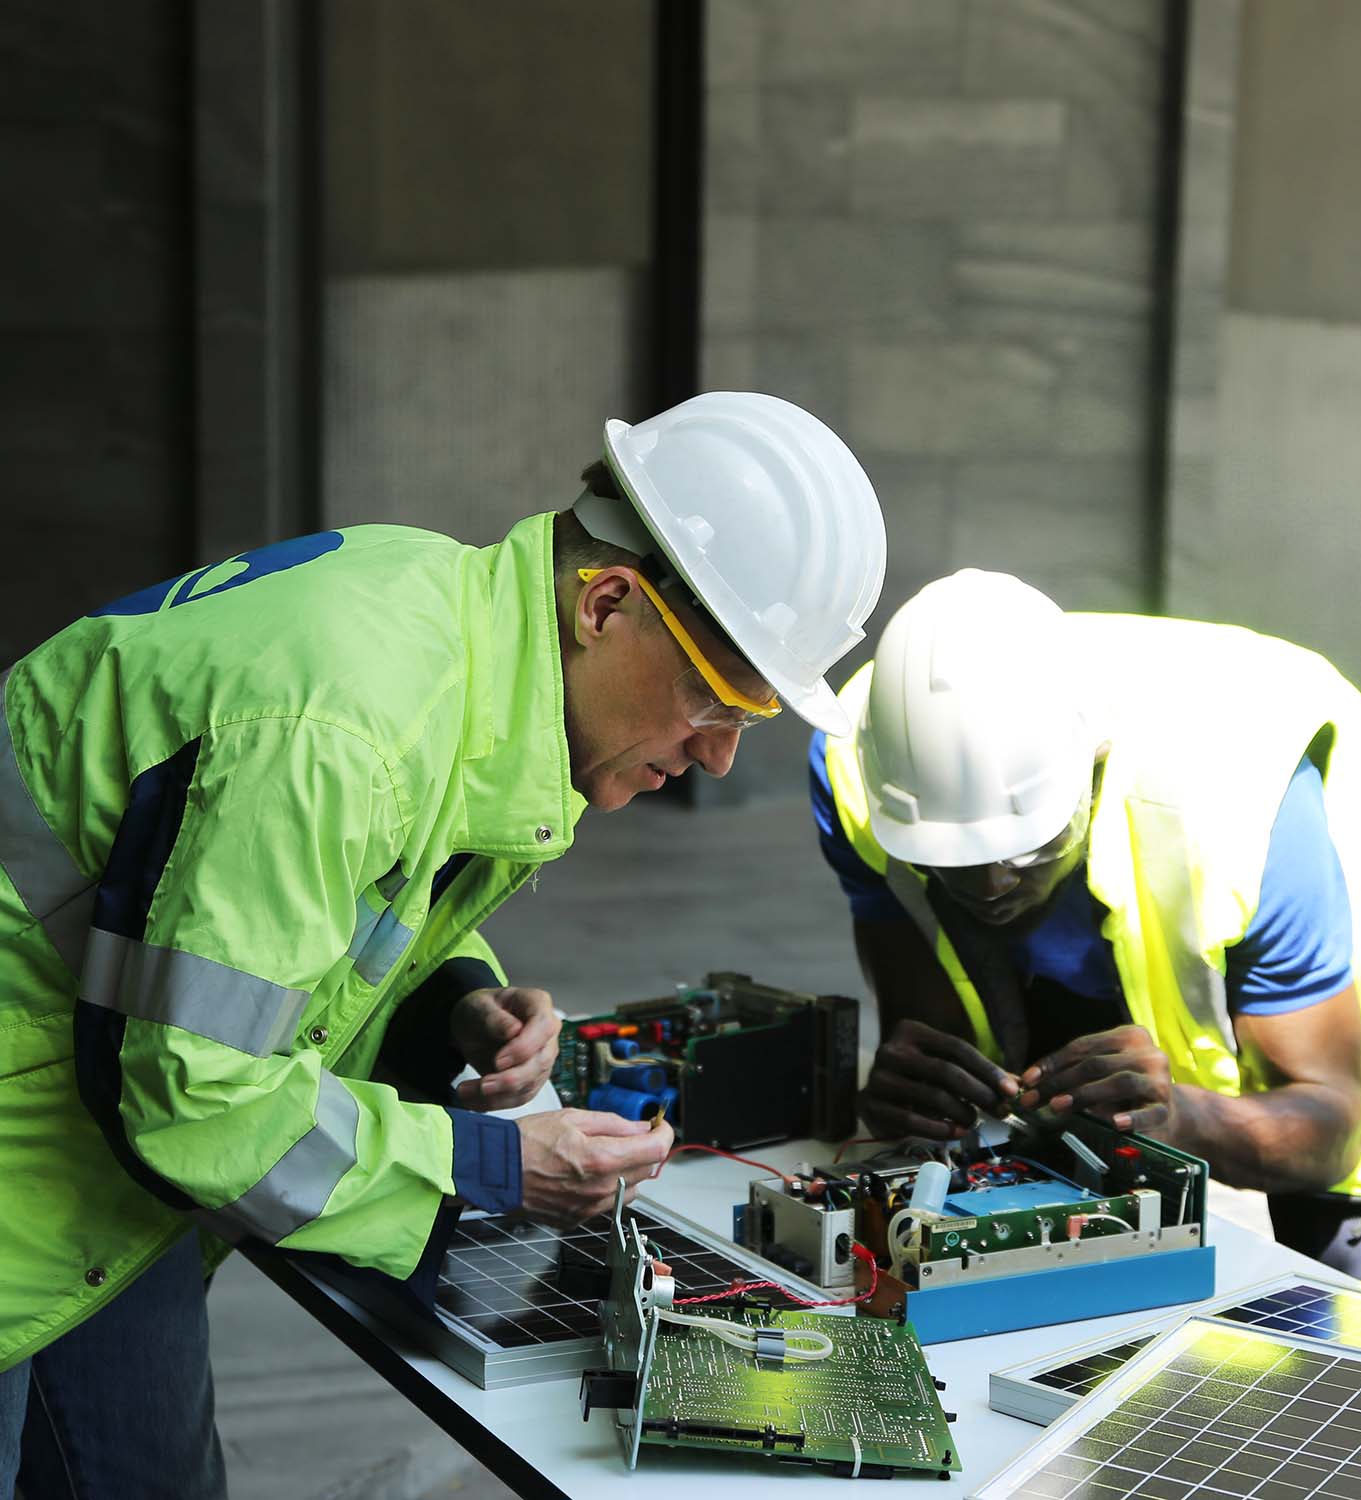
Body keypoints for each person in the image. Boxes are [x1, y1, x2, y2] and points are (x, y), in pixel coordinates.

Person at [0, 391, 886, 1498]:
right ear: (607, 603)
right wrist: (494, 1164)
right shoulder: (343, 725)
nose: (714, 760)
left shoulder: (440, 625)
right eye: (716, 704)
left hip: (88, 1159)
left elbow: (293, 917)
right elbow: (196, 1097)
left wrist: (451, 1000)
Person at [810, 569, 1361, 1299]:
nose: (989, 890)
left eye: (1026, 850)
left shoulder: (1247, 809)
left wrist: (1192, 1119)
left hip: (1326, 892)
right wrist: (921, 1092)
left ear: (1094, 768)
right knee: (1051, 1162)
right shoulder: (861, 766)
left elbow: (1332, 1124)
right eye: (951, 861)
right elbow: (935, 1038)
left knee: (1341, 1275)